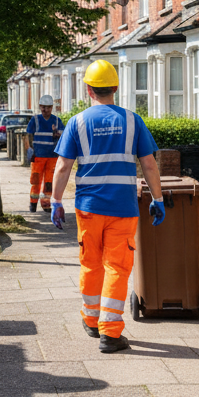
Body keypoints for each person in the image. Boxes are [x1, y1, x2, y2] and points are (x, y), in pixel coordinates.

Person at [47, 60, 165, 354]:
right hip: (123, 208)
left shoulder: (78, 122)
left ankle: (91, 320)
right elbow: (148, 164)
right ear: (115, 87)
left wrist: (56, 200)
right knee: (118, 267)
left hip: (88, 208)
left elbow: (62, 166)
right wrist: (158, 198)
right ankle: (110, 333)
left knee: (91, 263)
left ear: (88, 90)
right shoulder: (132, 120)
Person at [26, 95, 63, 213]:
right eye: (43, 107)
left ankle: (46, 204)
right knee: (36, 181)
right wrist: (29, 150)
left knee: (48, 182)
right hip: (38, 156)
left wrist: (57, 133)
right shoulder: (35, 120)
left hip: (52, 157)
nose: (45, 110)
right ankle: (33, 204)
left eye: (47, 107)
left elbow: (64, 135)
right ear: (40, 106)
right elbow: (28, 136)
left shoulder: (57, 121)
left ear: (51, 107)